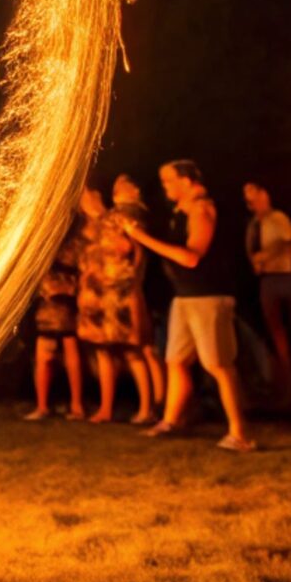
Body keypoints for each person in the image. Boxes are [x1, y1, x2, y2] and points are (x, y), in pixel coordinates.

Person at [127, 160, 254, 451]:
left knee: (218, 364)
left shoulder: (201, 209)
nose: (165, 187)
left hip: (208, 295)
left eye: (169, 181)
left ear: (186, 181)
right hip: (185, 296)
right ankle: (170, 422)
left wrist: (141, 238)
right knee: (176, 360)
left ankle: (240, 433)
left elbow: (192, 257)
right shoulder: (183, 210)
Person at [75, 184, 153, 425]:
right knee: (102, 350)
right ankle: (106, 408)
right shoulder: (94, 225)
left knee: (131, 350)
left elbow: (132, 248)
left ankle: (146, 408)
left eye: (90, 195)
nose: (86, 201)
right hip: (97, 295)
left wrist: (128, 278)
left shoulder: (118, 217)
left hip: (117, 292)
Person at [244, 181, 291, 415]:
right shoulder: (253, 224)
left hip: (286, 278)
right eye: (246, 195)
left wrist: (265, 256)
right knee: (277, 336)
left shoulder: (278, 218)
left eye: (253, 193)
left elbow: (287, 243)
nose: (249, 198)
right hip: (267, 280)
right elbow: (251, 252)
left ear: (264, 194)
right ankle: (287, 393)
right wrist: (256, 263)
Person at [112, 174, 169, 413]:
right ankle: (156, 402)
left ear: (135, 192)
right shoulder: (128, 214)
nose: (118, 189)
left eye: (125, 185)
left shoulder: (130, 214)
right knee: (141, 347)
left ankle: (156, 403)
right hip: (130, 286)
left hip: (133, 287)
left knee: (143, 345)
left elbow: (133, 249)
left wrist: (132, 275)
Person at [24, 213, 86, 420]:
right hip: (48, 304)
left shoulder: (74, 243)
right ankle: (43, 406)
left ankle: (76, 406)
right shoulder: (44, 242)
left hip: (67, 301)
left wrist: (68, 288)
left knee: (69, 348)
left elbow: (81, 269)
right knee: (44, 354)